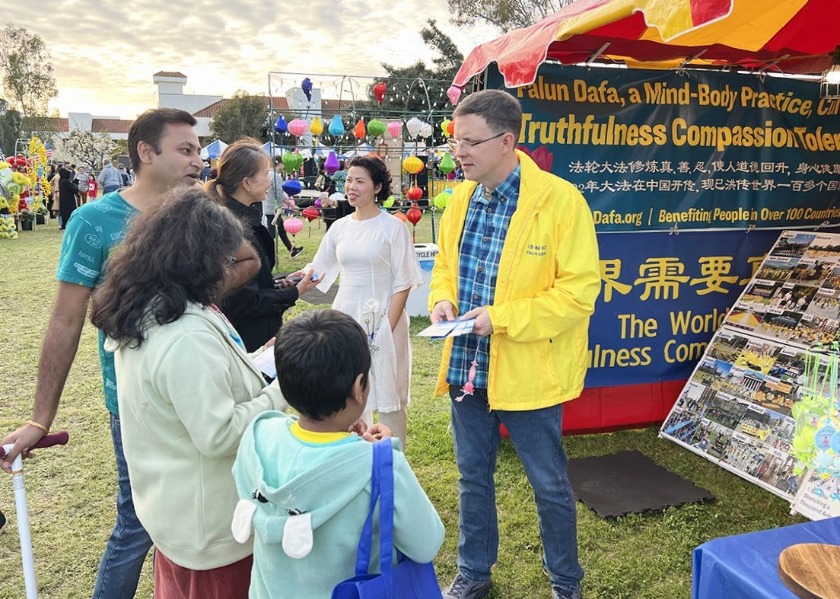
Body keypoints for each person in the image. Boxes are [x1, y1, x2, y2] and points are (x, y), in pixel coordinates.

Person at [1, 107, 205, 598]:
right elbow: (66, 319)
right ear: (145, 152)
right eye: (186, 149)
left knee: (202, 518)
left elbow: (226, 277)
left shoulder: (197, 214)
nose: (199, 160)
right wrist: (40, 417)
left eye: (198, 150)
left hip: (202, 395)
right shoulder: (95, 221)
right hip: (136, 402)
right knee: (137, 523)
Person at [429, 90, 601, 599]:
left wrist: (500, 320)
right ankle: (474, 573)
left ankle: (566, 583)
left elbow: (578, 293)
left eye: (469, 141)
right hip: (467, 365)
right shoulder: (460, 198)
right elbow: (444, 267)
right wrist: (443, 300)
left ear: (507, 141)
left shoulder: (559, 200)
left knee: (549, 485)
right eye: (455, 140)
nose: (458, 151)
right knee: (472, 478)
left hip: (529, 370)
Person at [90, 187, 286, 598]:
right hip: (212, 530)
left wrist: (253, 362)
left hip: (177, 516)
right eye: (223, 259)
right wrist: (283, 388)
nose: (227, 269)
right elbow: (218, 433)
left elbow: (192, 389)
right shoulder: (183, 334)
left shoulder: (153, 310)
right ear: (197, 259)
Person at [232, 309, 444, 598]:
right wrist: (388, 456)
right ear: (359, 387)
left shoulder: (259, 436)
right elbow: (426, 542)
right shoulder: (379, 467)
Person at [305, 155, 423, 447]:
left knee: (387, 392)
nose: (351, 186)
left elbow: (404, 282)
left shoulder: (393, 228)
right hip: (347, 317)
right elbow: (319, 269)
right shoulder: (340, 227)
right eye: (348, 180)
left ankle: (392, 459)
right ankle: (356, 456)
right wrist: (294, 281)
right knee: (349, 390)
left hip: (384, 317)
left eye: (360, 181)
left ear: (377, 187)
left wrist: (385, 327)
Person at [206, 138, 318, 352]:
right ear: (247, 183)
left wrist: (278, 284)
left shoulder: (246, 220)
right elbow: (243, 301)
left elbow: (251, 284)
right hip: (246, 342)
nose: (270, 181)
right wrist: (293, 293)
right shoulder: (230, 228)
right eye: (265, 175)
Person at [265, 156, 303, 257]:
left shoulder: (268, 174)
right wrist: (292, 205)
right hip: (272, 209)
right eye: (283, 164)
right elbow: (279, 194)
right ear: (279, 164)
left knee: (281, 230)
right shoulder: (275, 176)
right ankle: (264, 253)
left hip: (271, 208)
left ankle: (292, 250)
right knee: (271, 234)